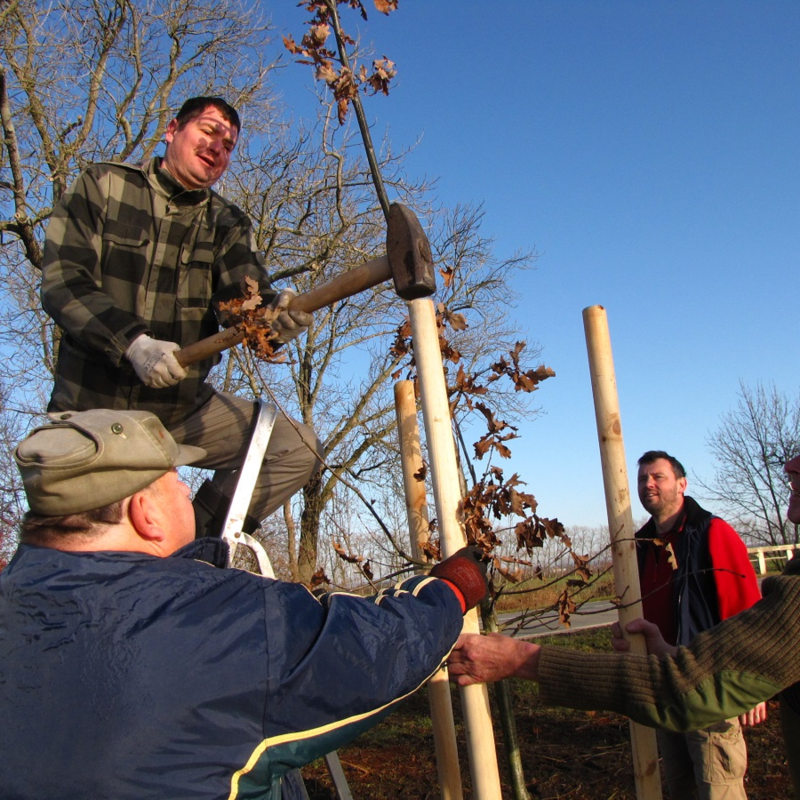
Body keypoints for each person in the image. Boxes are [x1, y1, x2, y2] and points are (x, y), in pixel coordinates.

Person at [0, 408, 488, 800]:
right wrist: (452, 587)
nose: (188, 489)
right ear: (144, 512)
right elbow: (376, 652)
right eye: (175, 478)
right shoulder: (215, 619)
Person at [40, 96, 322, 539]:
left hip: (179, 414)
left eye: (229, 144)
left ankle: (197, 548)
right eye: (209, 132)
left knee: (296, 446)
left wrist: (276, 322)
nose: (218, 147)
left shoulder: (227, 223)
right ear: (172, 130)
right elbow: (63, 282)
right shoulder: (104, 185)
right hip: (90, 409)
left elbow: (245, 308)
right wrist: (132, 344)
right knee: (77, 552)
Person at [449, 454, 800, 797]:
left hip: (707, 676)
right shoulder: (641, 546)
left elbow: (746, 603)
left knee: (716, 780)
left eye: (657, 477)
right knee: (681, 784)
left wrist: (757, 678)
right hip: (660, 674)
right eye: (642, 478)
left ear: (682, 484)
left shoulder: (710, 532)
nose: (648, 484)